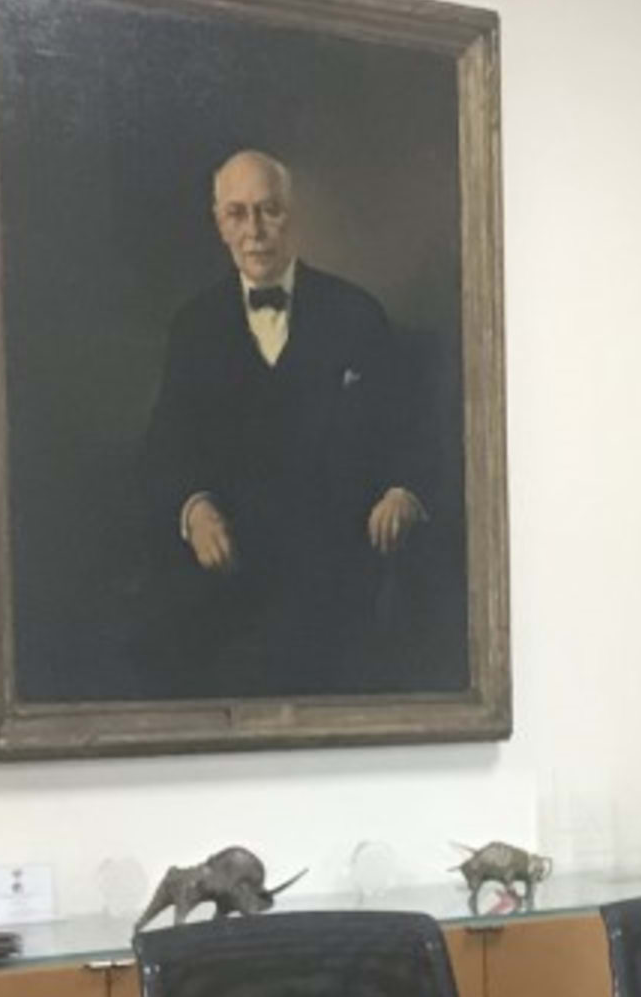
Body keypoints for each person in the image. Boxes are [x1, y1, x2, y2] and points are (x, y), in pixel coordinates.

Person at [140, 149, 442, 695]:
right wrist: (196, 510)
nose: (254, 231)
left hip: (344, 580)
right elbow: (167, 448)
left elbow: (414, 432)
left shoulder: (357, 314)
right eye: (237, 214)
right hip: (231, 584)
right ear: (218, 224)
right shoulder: (194, 326)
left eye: (269, 210)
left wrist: (403, 492)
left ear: (293, 217)